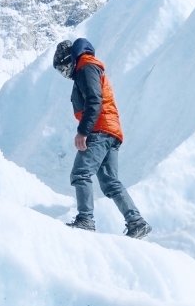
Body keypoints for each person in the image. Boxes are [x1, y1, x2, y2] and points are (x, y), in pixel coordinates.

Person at [53, 38, 150, 238]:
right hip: (110, 131)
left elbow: (94, 100)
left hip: (99, 130)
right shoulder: (88, 67)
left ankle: (85, 220)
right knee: (109, 181)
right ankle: (136, 222)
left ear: (69, 59)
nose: (65, 74)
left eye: (63, 68)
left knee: (80, 173)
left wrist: (83, 131)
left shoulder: (85, 67)